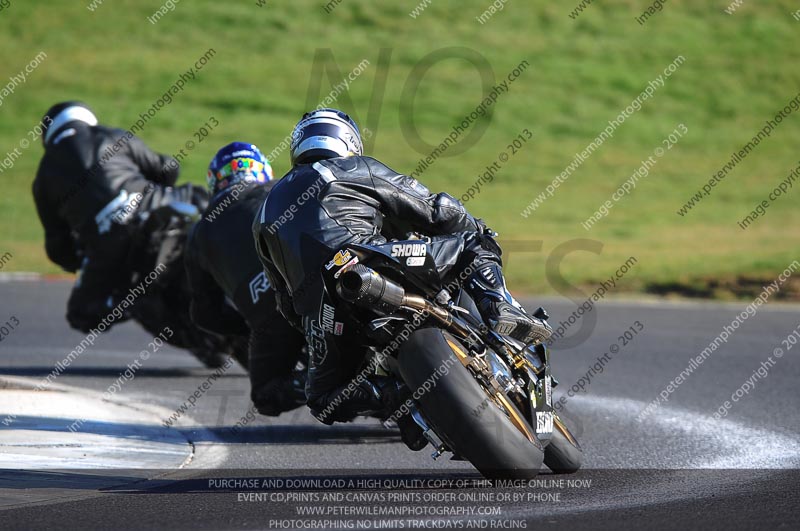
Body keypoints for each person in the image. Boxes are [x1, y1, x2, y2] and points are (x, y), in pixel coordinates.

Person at [253, 108, 552, 447]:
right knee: (473, 242)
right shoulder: (350, 167)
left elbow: (285, 300)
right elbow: (436, 209)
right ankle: (500, 307)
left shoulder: (265, 208)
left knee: (324, 400)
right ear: (347, 141)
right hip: (371, 262)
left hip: (323, 311)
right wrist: (474, 226)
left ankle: (404, 401)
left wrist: (318, 326)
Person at [33, 101, 202, 333]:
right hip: (155, 207)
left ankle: (131, 304)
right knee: (209, 198)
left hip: (107, 245)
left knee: (80, 313)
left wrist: (79, 259)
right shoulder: (111, 135)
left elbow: (58, 246)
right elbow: (167, 168)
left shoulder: (43, 178)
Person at [184, 142, 306, 416]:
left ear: (215, 181)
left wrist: (247, 325)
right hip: (325, 279)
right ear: (263, 169)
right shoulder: (286, 186)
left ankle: (317, 383)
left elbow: (205, 314)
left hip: (271, 315)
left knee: (266, 395)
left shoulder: (199, 230)